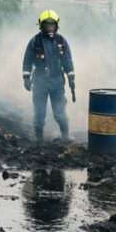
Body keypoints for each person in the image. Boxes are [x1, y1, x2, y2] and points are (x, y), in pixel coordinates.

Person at [22, 10, 75, 142]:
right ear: (41, 25)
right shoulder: (35, 41)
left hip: (57, 83)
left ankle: (65, 137)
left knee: (60, 114)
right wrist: (26, 78)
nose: (50, 28)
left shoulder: (61, 41)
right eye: (47, 25)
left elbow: (67, 60)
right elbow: (27, 60)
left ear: (56, 26)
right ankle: (39, 139)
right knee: (39, 114)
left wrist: (71, 78)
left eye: (52, 25)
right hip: (40, 83)